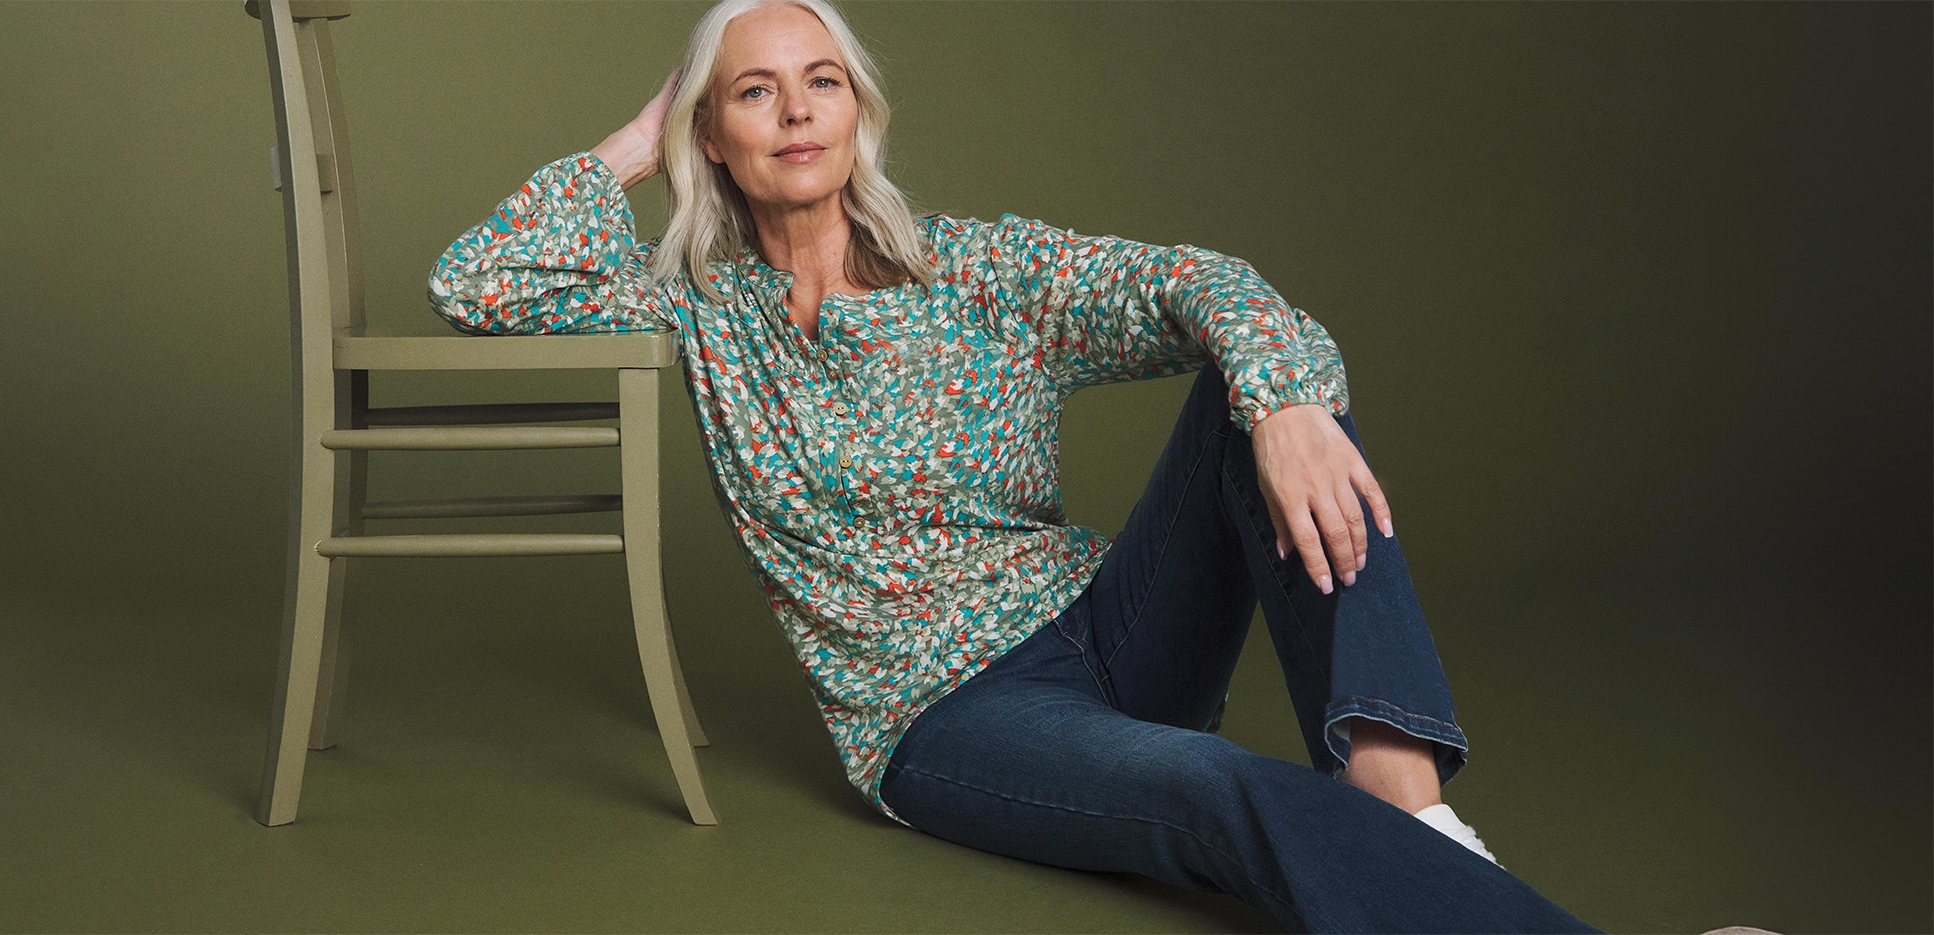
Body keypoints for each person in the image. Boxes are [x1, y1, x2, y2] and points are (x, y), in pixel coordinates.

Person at [427, 0, 1596, 930]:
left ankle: (1402, 796)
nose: (793, 111)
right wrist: (636, 144)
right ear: (713, 136)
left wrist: (1285, 401)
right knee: (1223, 790)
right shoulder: (693, 308)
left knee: (1253, 382)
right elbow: (476, 283)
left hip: (1107, 626)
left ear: (858, 115)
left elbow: (1201, 283)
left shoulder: (976, 272)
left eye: (820, 80)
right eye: (752, 90)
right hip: (950, 720)